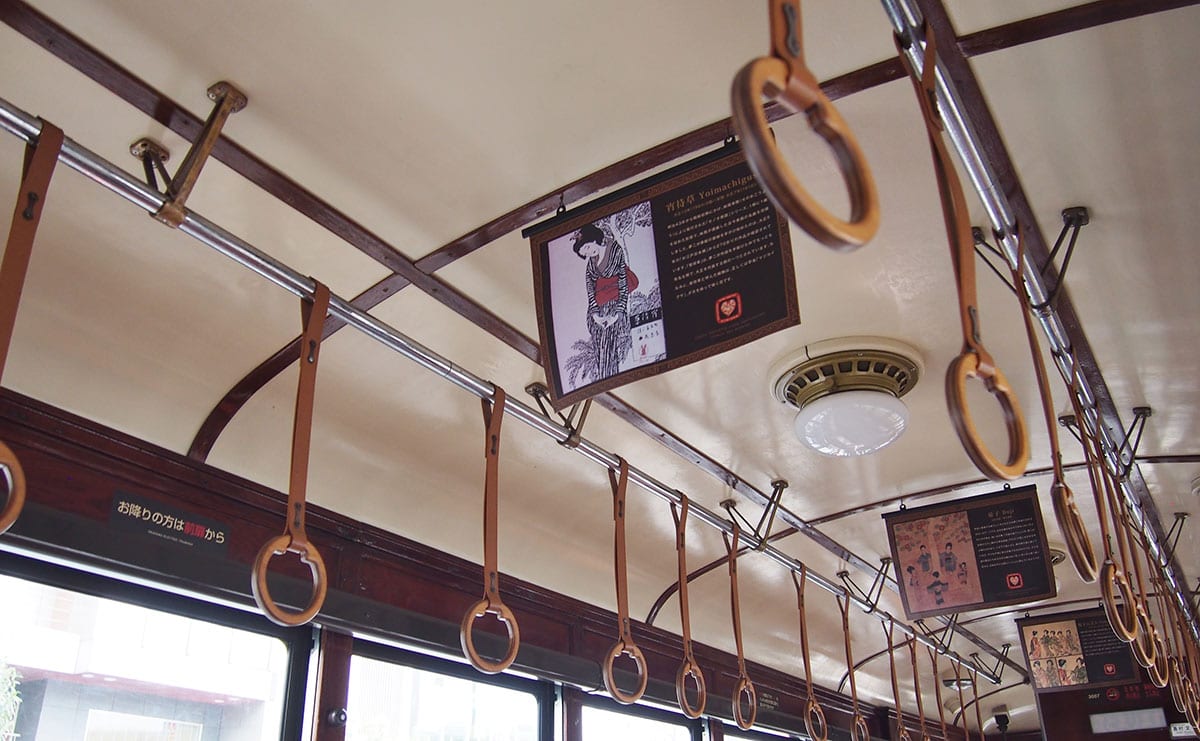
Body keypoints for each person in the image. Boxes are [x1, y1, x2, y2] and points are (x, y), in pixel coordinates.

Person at [573, 223, 632, 380]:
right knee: (600, 348)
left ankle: (611, 378)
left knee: (609, 347)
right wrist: (595, 314)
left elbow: (623, 282)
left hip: (614, 305)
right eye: (585, 253)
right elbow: (590, 287)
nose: (588, 253)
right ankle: (604, 379)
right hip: (597, 310)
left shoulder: (615, 250)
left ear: (593, 239)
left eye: (587, 247)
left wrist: (618, 313)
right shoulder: (592, 262)